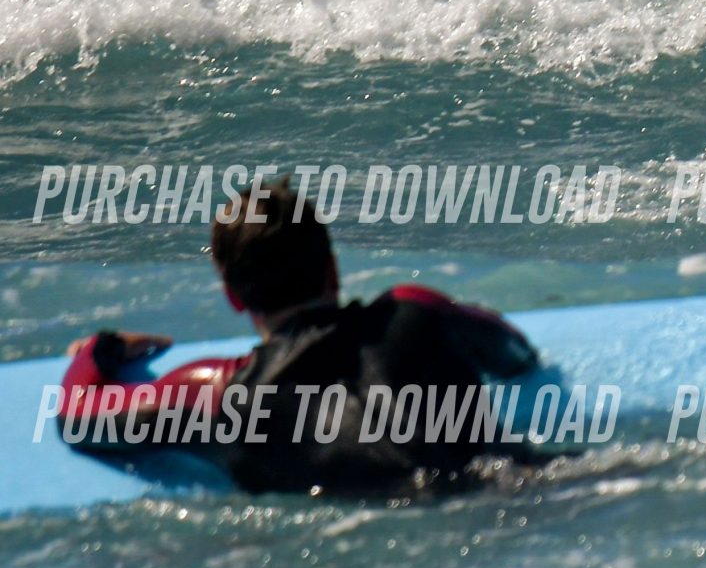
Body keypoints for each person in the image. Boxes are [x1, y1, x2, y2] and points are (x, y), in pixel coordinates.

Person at [56, 176, 543, 495]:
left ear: (234, 297)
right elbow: (516, 355)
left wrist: (101, 349)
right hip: (534, 487)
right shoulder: (416, 308)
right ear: (332, 269)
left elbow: (77, 419)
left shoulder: (215, 396)